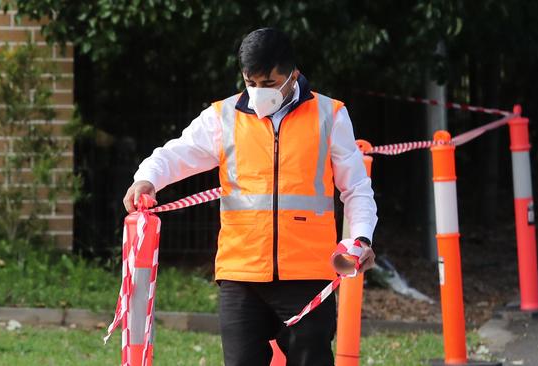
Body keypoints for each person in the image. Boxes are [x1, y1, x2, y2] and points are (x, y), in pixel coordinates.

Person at [123, 28, 378, 366]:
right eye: (250, 82)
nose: (259, 92)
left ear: (293, 75)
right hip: (241, 273)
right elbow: (176, 153)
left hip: (307, 275)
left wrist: (360, 237)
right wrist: (147, 179)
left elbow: (356, 188)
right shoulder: (223, 117)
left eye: (269, 83)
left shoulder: (329, 115)